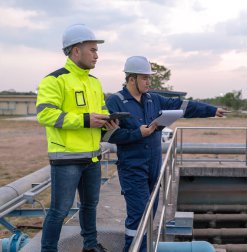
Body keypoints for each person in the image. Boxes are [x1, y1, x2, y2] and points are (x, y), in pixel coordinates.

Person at [104, 56, 227, 251]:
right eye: (144, 78)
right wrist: (138, 133)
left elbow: (183, 106)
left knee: (151, 211)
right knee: (139, 214)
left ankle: (145, 246)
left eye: (149, 78)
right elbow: (108, 135)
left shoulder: (153, 99)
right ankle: (133, 248)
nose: (148, 82)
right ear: (131, 79)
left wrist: (212, 110)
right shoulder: (115, 101)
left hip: (154, 165)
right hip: (132, 167)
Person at [36, 24, 110, 252]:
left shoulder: (94, 82)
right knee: (60, 210)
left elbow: (102, 111)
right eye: (93, 50)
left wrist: (109, 122)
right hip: (66, 158)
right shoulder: (55, 80)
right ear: (76, 51)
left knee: (89, 206)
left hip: (92, 157)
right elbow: (45, 113)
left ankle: (90, 246)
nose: (97, 55)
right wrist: (85, 120)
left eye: (97, 51)